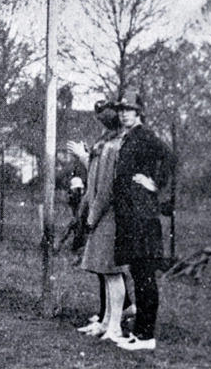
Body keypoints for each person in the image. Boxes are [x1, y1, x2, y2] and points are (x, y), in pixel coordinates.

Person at [110, 90, 176, 351]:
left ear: (139, 112)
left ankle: (146, 336)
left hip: (143, 216)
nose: (124, 113)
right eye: (122, 109)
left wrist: (155, 183)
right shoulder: (130, 137)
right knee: (138, 274)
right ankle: (138, 333)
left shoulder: (145, 135)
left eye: (130, 109)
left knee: (145, 276)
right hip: (131, 215)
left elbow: (170, 157)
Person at [68, 100, 131, 342]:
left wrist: (91, 217)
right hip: (100, 215)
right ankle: (105, 321)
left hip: (109, 217)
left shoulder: (114, 147)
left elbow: (106, 190)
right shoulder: (104, 145)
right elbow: (94, 181)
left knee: (112, 272)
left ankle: (115, 326)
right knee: (104, 272)